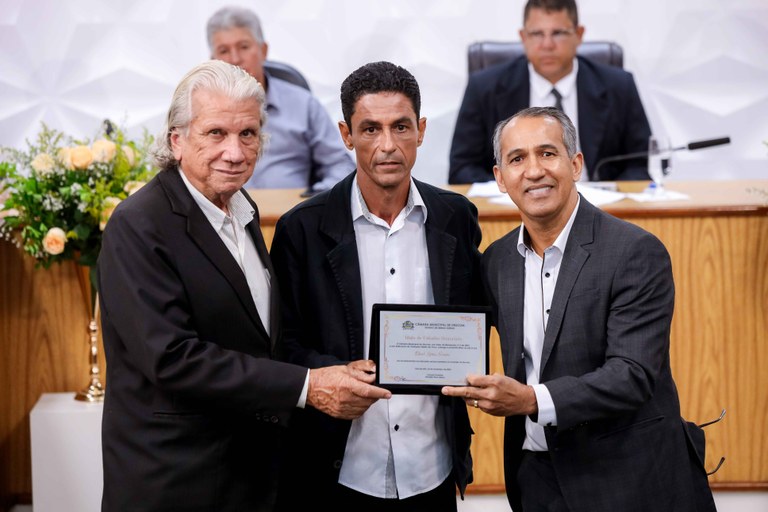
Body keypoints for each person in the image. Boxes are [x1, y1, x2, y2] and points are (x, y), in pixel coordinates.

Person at [97, 60, 391, 512]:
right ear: (177, 140)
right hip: (176, 480)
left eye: (248, 134)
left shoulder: (239, 205)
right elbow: (173, 359)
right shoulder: (138, 225)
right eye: (216, 133)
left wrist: (328, 370)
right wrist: (307, 385)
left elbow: (255, 336)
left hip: (249, 474)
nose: (234, 152)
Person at [443, 107, 716, 512]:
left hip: (628, 479)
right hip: (536, 479)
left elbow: (632, 374)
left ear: (575, 164)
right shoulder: (497, 261)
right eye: (517, 159)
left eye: (547, 153)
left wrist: (532, 400)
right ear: (500, 178)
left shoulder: (635, 251)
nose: (534, 171)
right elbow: (454, 330)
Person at [270, 61, 482, 510]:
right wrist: (331, 374)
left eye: (400, 126)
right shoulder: (301, 229)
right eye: (370, 129)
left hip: (431, 466)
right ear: (346, 135)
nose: (387, 145)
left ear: (421, 131)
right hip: (338, 467)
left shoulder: (456, 217)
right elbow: (282, 344)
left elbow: (471, 318)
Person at [448, 0, 651, 184]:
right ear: (523, 37)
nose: (547, 45)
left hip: (597, 206)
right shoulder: (484, 87)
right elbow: (462, 168)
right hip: (515, 205)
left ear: (579, 35)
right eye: (537, 34)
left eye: (558, 33)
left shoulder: (619, 86)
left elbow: (642, 164)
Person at [206, 6, 353, 191]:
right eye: (223, 51)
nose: (235, 59)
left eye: (244, 47)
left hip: (292, 208)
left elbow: (340, 165)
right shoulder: (201, 109)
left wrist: (314, 201)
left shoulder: (303, 104)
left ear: (263, 50)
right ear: (213, 60)